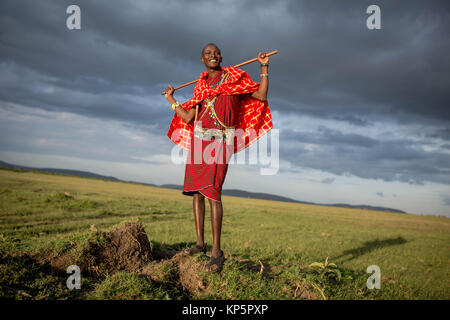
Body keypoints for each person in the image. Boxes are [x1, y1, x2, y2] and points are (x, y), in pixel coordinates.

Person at [163, 43, 273, 273]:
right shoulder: (201, 86)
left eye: (216, 53)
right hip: (199, 141)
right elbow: (188, 116)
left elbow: (261, 96)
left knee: (213, 192)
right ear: (202, 60)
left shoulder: (234, 79)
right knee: (196, 192)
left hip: (221, 141)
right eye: (208, 54)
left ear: (221, 57)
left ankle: (217, 252)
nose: (213, 56)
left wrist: (263, 68)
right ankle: (200, 244)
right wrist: (171, 99)